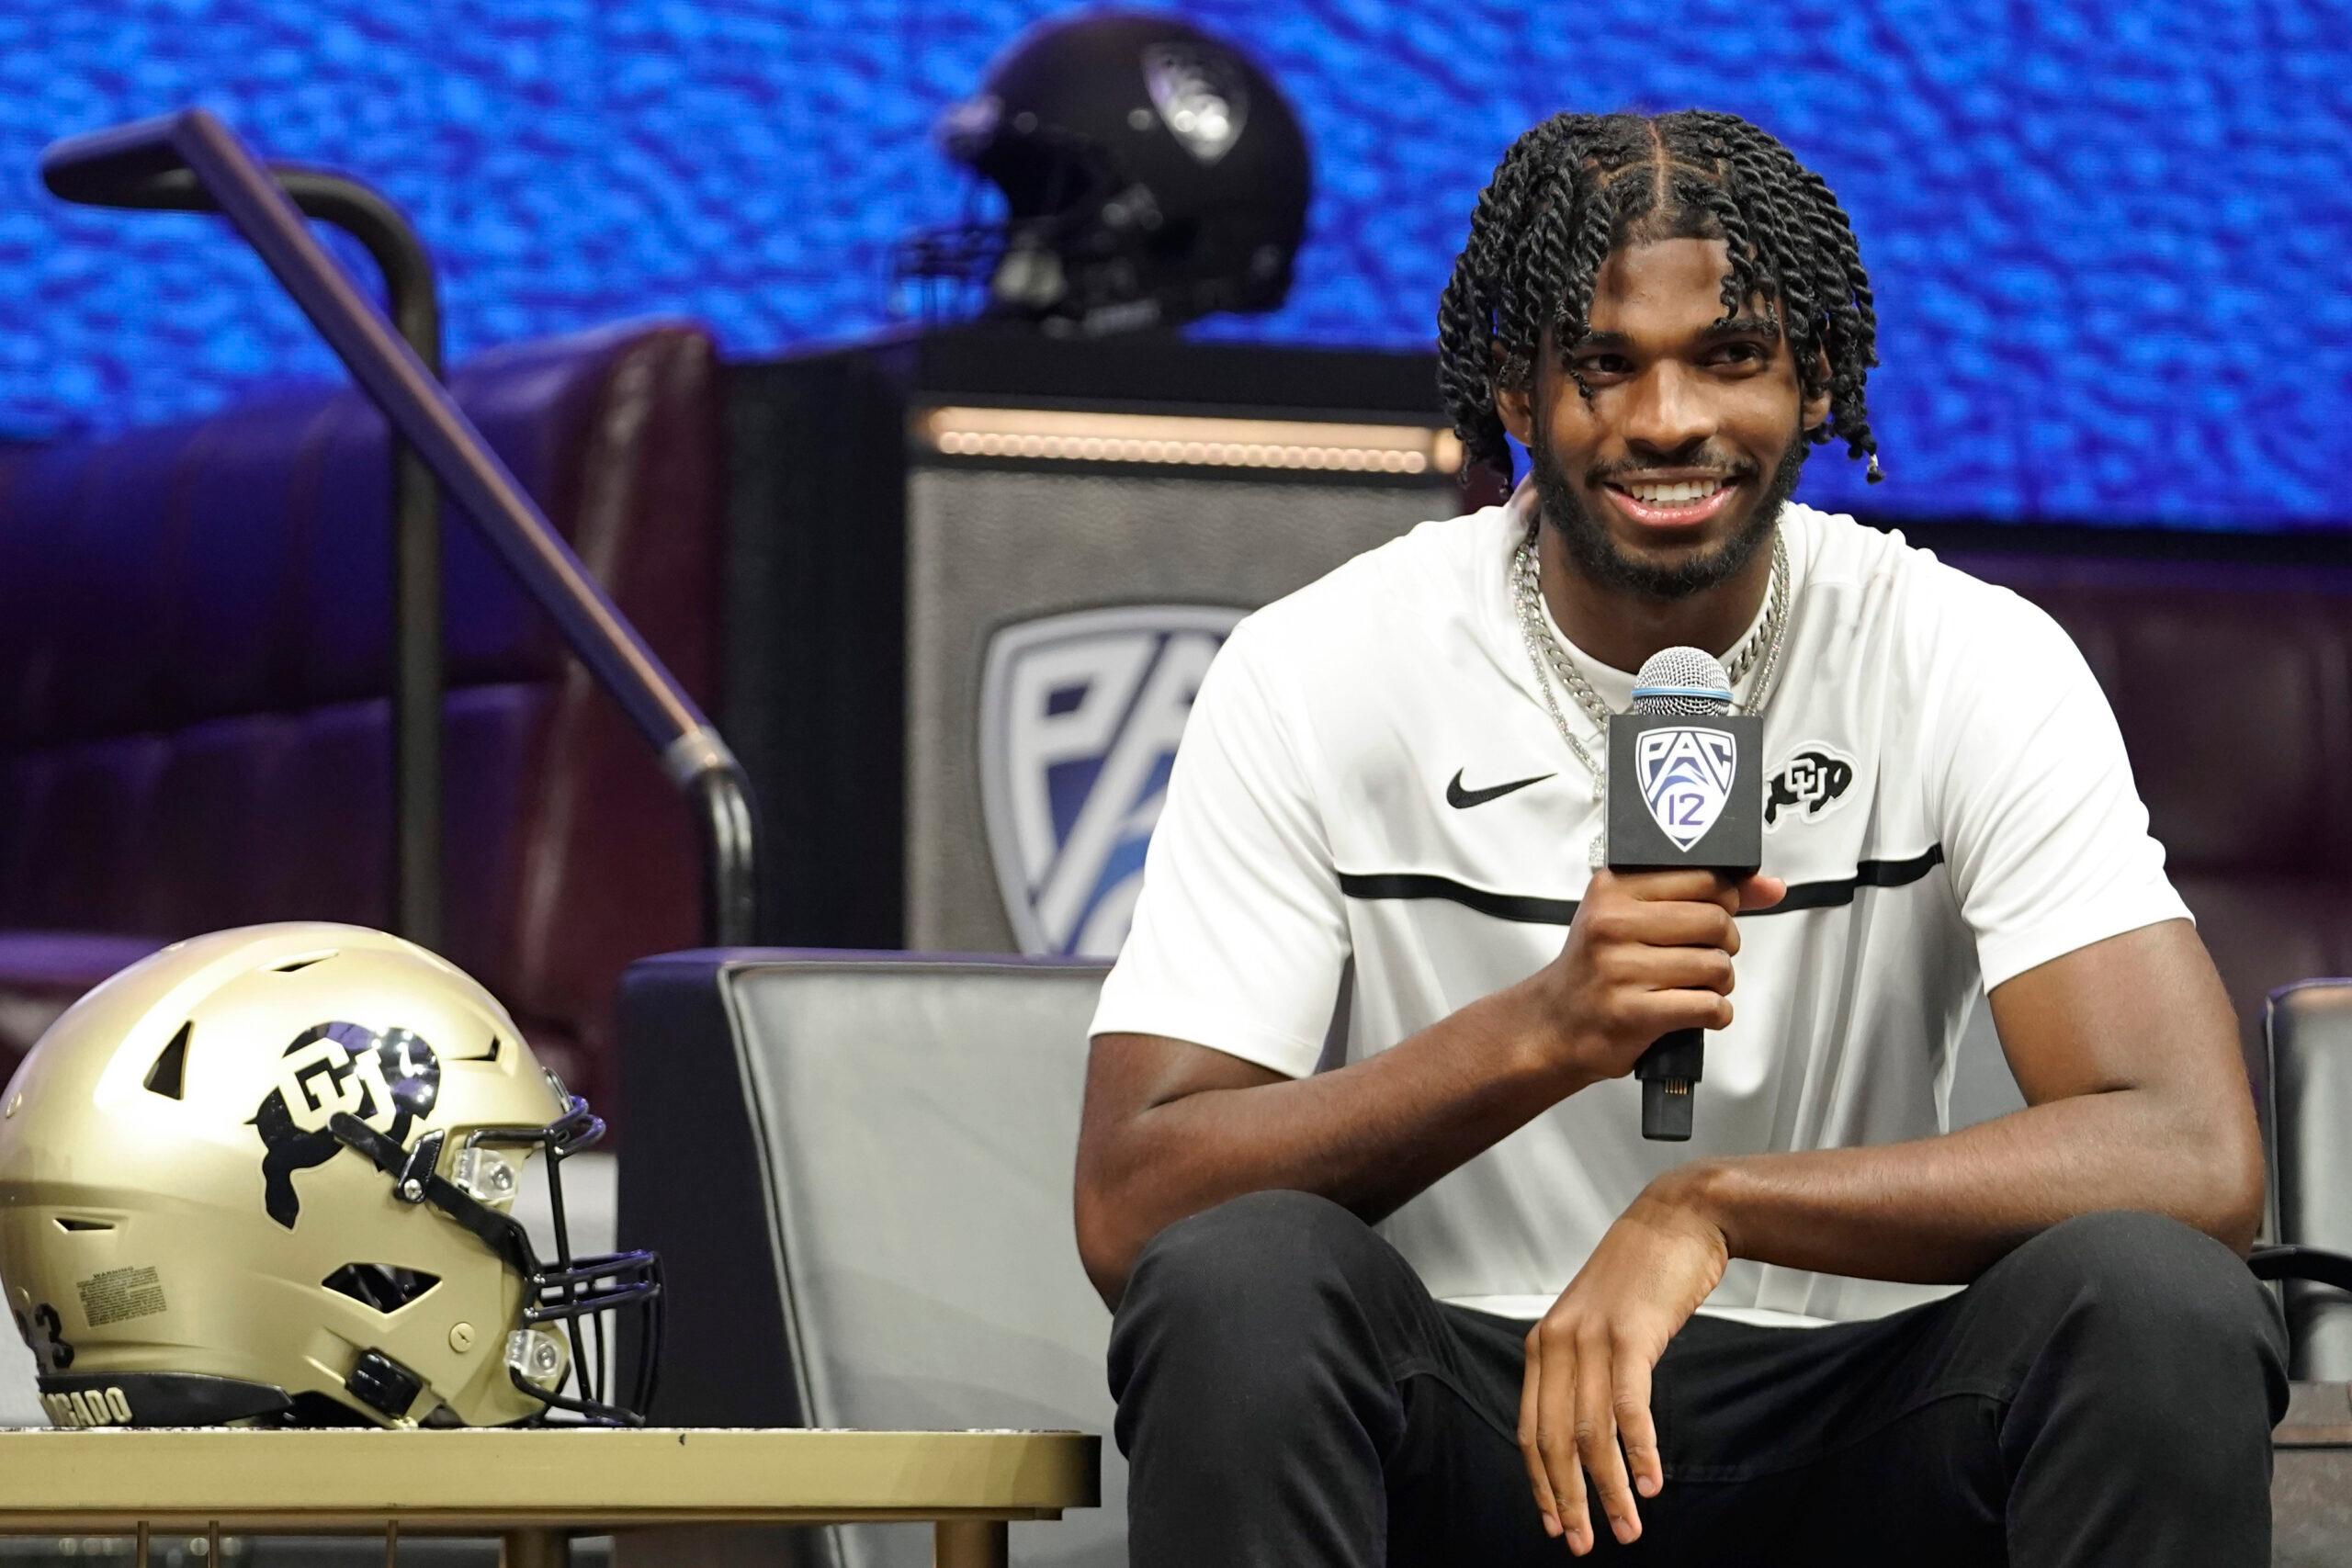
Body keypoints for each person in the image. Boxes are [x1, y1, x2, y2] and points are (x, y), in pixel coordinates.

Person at [1073, 108, 2286, 1566]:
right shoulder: (1321, 665)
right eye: (1602, 365)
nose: (1666, 421)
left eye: (1730, 356)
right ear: (1517, 393)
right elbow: (1135, 1206)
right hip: (1471, 1424)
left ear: (1817, 375)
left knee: (2161, 1297)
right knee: (1237, 1280)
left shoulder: (1966, 656)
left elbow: (2194, 1152)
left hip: (1853, 1420)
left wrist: (1714, 1206)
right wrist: (1547, 1028)